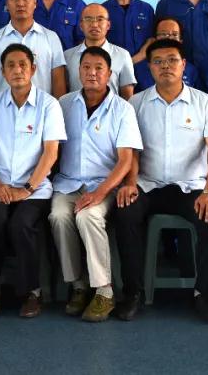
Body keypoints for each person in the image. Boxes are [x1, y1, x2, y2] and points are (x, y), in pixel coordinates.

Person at [112, 38, 208, 324]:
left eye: (172, 60)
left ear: (184, 64)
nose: (166, 66)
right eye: (158, 62)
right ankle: (133, 293)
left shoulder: (203, 102)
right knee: (125, 212)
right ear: (149, 68)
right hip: (148, 185)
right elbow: (131, 150)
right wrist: (130, 183)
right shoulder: (136, 103)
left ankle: (204, 294)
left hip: (190, 187)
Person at [51, 46, 142, 322]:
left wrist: (99, 192)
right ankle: (78, 285)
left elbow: (126, 159)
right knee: (59, 216)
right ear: (78, 71)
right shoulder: (64, 104)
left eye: (98, 68)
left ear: (109, 74)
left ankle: (104, 290)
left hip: (106, 184)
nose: (92, 73)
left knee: (88, 216)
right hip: (68, 183)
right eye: (86, 68)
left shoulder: (123, 109)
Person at [0, 44, 66, 318]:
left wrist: (27, 188)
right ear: (3, 72)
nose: (17, 70)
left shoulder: (49, 105)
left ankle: (32, 292)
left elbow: (51, 152)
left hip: (35, 189)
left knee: (21, 225)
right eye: (11, 65)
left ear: (33, 69)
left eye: (23, 65)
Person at [0, 0, 67, 111]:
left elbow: (58, 81)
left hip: (41, 112)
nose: (20, 3)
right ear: (7, 4)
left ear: (35, 3)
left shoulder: (51, 37)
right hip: (3, 113)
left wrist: (56, 113)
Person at [63, 3, 135, 98]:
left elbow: (127, 96)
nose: (94, 24)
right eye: (88, 19)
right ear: (81, 25)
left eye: (100, 19)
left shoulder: (122, 55)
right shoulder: (67, 56)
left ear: (108, 25)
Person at [102, 0, 155, 71]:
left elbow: (151, 40)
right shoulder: (102, 11)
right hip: (113, 69)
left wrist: (132, 61)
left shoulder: (146, 9)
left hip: (143, 68)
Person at [133, 17, 201, 91]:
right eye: (163, 34)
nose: (169, 38)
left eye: (174, 34)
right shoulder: (138, 69)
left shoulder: (191, 70)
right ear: (154, 39)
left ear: (181, 40)